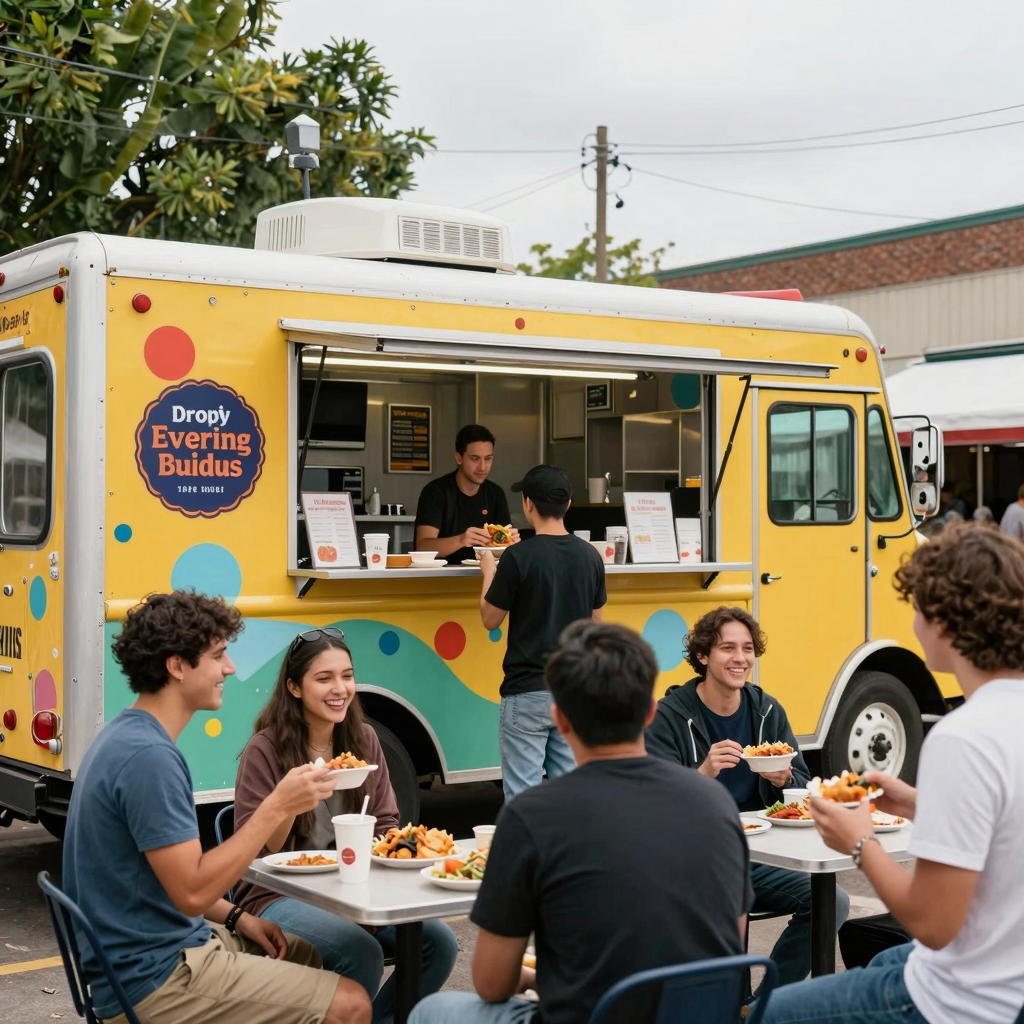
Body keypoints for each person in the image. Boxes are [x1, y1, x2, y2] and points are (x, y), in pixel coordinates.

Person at [409, 621, 754, 1024]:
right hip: (700, 1016)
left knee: (433, 1009)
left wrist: (531, 978)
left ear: (560, 718)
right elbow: (730, 947)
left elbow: (489, 983)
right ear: (649, 712)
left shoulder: (532, 814)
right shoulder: (714, 800)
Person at [62, 591, 370, 1024]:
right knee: (352, 1003)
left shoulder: (126, 735)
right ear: (177, 666)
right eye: (218, 655)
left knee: (309, 952)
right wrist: (275, 806)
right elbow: (192, 892)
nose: (230, 668)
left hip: (154, 954)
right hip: (155, 979)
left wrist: (240, 917)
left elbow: (169, 881)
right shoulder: (148, 757)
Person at [760, 521, 1024, 1024]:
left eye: (918, 608)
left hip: (972, 999)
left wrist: (860, 842)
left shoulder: (963, 736)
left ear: (943, 623)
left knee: (778, 1011)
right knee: (882, 958)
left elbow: (932, 923)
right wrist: (919, 803)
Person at [233, 627, 458, 1024]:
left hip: (349, 889)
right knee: (360, 951)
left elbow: (387, 823)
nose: (340, 688)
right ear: (294, 687)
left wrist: (379, 859)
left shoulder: (364, 740)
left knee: (439, 943)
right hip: (276, 895)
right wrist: (292, 799)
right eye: (324, 678)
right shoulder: (265, 750)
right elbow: (257, 852)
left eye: (347, 675)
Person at [644, 606, 849, 987]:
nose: (740, 658)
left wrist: (784, 777)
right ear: (702, 656)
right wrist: (703, 772)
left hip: (762, 853)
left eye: (748, 648)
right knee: (726, 903)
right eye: (727, 648)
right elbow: (654, 802)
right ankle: (730, 1000)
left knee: (832, 901)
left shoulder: (768, 710)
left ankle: (763, 1004)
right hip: (698, 855)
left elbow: (803, 788)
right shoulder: (669, 717)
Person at [480, 465, 606, 799]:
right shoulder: (590, 556)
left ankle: (528, 853)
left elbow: (490, 618)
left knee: (524, 799)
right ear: (568, 504)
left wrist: (489, 570)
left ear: (527, 504)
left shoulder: (518, 557)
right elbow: (597, 629)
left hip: (526, 693)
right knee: (570, 796)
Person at [414, 423, 518, 563]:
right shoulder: (436, 492)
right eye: (474, 458)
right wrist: (461, 540)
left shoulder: (495, 493)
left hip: (484, 575)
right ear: (459, 458)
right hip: (440, 578)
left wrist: (510, 541)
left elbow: (503, 550)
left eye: (488, 459)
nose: (482, 467)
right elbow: (422, 547)